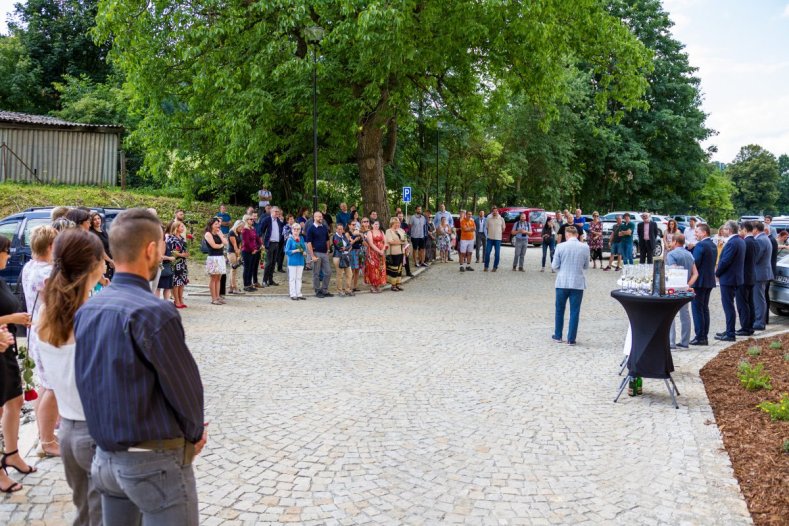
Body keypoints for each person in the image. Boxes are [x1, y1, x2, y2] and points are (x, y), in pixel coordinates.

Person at [73, 209, 206, 525]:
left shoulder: (89, 309)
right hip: (152, 461)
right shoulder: (154, 312)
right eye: (161, 244)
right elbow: (184, 387)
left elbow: (87, 379)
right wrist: (195, 433)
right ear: (151, 249)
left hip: (105, 456)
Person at [36, 229, 106, 524]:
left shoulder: (48, 313)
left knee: (86, 513)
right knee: (103, 515)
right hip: (95, 432)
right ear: (95, 264)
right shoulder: (91, 317)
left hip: (68, 431)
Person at [20, 225, 60, 459]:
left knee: (45, 384)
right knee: (52, 387)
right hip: (47, 331)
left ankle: (46, 431)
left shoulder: (29, 267)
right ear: (50, 246)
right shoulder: (47, 273)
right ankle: (47, 440)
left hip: (35, 330)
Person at [0, 235, 35, 493]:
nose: (9, 255)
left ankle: (12, 453)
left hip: (7, 349)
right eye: (6, 251)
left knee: (15, 401)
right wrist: (13, 317)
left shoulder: (1, 280)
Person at [551, 226, 589, 346]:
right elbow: (586, 265)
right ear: (577, 235)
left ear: (567, 235)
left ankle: (558, 335)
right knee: (574, 311)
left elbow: (554, 266)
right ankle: (571, 338)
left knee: (559, 310)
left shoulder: (560, 246)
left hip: (562, 282)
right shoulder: (585, 247)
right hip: (577, 283)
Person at [714, 221, 745, 342]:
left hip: (729, 278)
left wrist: (717, 273)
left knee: (728, 306)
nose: (723, 231)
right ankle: (729, 330)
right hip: (735, 277)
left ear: (730, 230)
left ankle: (730, 333)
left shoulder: (733, 242)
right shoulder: (740, 241)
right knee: (730, 305)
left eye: (725, 229)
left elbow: (725, 261)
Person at [666, 233, 697, 349]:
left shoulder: (671, 254)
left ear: (674, 242)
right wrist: (687, 285)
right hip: (684, 288)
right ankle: (685, 341)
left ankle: (671, 342)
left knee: (671, 314)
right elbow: (695, 273)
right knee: (685, 314)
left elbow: (674, 272)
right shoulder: (689, 254)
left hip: (673, 289)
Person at [690, 223, 716, 346]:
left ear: (704, 233)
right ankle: (704, 335)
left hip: (699, 282)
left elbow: (695, 263)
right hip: (709, 280)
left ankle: (700, 336)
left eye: (697, 232)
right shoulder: (712, 244)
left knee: (697, 309)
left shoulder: (701, 245)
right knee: (704, 308)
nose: (695, 234)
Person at [735, 221, 757, 336]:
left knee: (743, 303)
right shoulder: (753, 241)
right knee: (749, 302)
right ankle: (750, 325)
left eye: (740, 230)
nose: (739, 232)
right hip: (751, 275)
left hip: (744, 276)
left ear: (744, 229)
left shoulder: (746, 242)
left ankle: (745, 327)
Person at [306, 211, 333, 298]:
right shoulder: (311, 228)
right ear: (314, 217)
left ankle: (324, 290)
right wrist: (312, 255)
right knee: (316, 273)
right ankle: (317, 291)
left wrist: (328, 249)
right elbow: (309, 243)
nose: (321, 218)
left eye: (321, 216)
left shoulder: (324, 227)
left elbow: (327, 239)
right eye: (318, 217)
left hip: (324, 253)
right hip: (316, 253)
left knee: (328, 272)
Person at [752, 221, 773, 331]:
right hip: (763, 272)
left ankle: (760, 322)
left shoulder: (760, 240)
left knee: (759, 298)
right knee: (760, 297)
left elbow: (756, 257)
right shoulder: (765, 238)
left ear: (756, 229)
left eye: (752, 229)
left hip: (759, 273)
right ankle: (760, 320)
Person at [204, 218, 227, 305]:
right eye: (216, 224)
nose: (218, 225)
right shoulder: (208, 234)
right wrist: (221, 245)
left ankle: (218, 297)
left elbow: (226, 242)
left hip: (220, 257)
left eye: (218, 224)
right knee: (213, 278)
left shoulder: (219, 232)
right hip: (213, 258)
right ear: (211, 225)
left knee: (219, 278)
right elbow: (214, 246)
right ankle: (213, 298)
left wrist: (220, 235)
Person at [259, 206, 284, 287]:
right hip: (269, 244)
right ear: (271, 212)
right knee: (268, 262)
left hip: (277, 243)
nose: (277, 213)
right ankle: (264, 281)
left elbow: (281, 230)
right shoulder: (267, 219)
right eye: (275, 211)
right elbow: (261, 231)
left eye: (278, 212)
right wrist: (262, 242)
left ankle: (270, 280)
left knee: (273, 263)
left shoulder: (278, 221)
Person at [169, 220, 190, 308]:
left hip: (183, 263)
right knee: (176, 282)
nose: (183, 228)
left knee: (182, 282)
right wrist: (181, 254)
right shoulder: (171, 238)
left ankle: (181, 299)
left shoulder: (182, 238)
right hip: (176, 263)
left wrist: (186, 254)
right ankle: (176, 300)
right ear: (176, 228)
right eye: (181, 226)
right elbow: (171, 251)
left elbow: (184, 249)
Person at [284, 223, 307, 300]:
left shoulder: (302, 238)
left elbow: (304, 248)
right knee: (292, 278)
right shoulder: (289, 239)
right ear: (292, 230)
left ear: (300, 230)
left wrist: (304, 252)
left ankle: (299, 294)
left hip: (300, 261)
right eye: (294, 229)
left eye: (298, 229)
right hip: (292, 261)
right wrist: (295, 250)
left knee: (299, 278)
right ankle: (293, 294)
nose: (296, 231)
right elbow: (286, 251)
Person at [89, 212, 114, 280]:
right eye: (94, 219)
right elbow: (100, 250)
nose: (97, 221)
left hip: (109, 262)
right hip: (102, 263)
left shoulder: (103, 231)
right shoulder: (92, 234)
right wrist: (110, 261)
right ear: (91, 221)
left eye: (98, 218)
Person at [364, 220, 387, 293]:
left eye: (378, 224)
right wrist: (378, 251)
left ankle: (378, 285)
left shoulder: (381, 232)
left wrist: (382, 250)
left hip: (381, 253)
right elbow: (371, 244)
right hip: (372, 253)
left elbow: (385, 242)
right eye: (375, 224)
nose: (377, 225)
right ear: (372, 225)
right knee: (373, 269)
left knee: (380, 268)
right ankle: (372, 286)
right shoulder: (369, 232)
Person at [331, 224, 353, 297]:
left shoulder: (344, 236)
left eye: (341, 229)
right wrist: (346, 247)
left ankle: (347, 289)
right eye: (339, 229)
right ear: (336, 229)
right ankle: (339, 290)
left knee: (349, 274)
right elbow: (339, 247)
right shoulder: (335, 237)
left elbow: (349, 245)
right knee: (340, 274)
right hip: (338, 257)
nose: (340, 230)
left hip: (346, 256)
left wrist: (346, 248)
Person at [155, 223, 176, 301]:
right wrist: (169, 258)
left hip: (167, 266)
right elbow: (159, 257)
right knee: (158, 287)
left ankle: (165, 302)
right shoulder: (158, 242)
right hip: (161, 266)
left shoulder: (165, 241)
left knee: (167, 287)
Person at [385, 217, 406, 291]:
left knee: (399, 269)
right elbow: (390, 241)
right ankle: (393, 285)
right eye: (396, 223)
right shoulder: (388, 231)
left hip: (401, 251)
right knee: (394, 269)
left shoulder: (401, 230)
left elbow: (405, 239)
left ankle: (398, 283)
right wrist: (401, 242)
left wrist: (404, 243)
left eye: (398, 223)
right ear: (392, 223)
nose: (398, 224)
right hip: (393, 252)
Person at [241, 214, 261, 293]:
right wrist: (252, 249)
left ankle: (250, 284)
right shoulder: (245, 230)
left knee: (251, 268)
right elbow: (246, 242)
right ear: (246, 220)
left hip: (254, 251)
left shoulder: (252, 229)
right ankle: (246, 285)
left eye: (252, 219)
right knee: (247, 268)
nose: (252, 221)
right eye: (250, 219)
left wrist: (260, 245)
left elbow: (257, 238)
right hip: (247, 251)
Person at [484, 207, 505, 272]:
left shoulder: (501, 219)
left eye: (496, 211)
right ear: (492, 212)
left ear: (498, 212)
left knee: (497, 254)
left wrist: (498, 233)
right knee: (487, 253)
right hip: (490, 238)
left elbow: (503, 228)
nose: (495, 212)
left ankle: (495, 267)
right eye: (493, 211)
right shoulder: (488, 219)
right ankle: (486, 267)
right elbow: (486, 228)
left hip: (498, 239)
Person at [227, 220, 244, 295]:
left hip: (236, 252)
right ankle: (234, 287)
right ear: (237, 226)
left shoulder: (239, 233)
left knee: (233, 270)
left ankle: (231, 287)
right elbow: (234, 245)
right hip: (231, 252)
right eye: (241, 227)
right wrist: (238, 254)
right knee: (233, 270)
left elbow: (240, 243)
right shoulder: (232, 232)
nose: (242, 228)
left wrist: (239, 251)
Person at [348, 220, 366, 292]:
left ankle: (355, 286)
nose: (354, 226)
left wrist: (361, 237)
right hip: (351, 252)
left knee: (357, 270)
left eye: (355, 224)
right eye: (353, 224)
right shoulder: (348, 233)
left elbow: (363, 242)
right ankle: (349, 286)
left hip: (358, 252)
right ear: (349, 225)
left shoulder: (358, 233)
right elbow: (350, 243)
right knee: (351, 270)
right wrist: (356, 238)